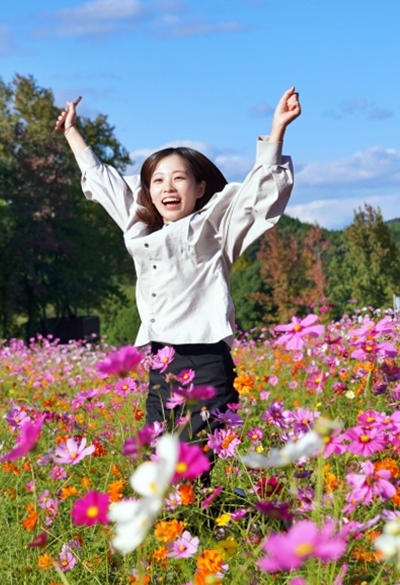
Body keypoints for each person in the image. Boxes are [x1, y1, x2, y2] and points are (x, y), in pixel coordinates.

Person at [55, 89, 301, 455]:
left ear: (200, 187)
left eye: (179, 179)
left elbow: (257, 197)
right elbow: (104, 182)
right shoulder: (139, 226)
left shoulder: (215, 227)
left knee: (191, 470)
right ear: (148, 191)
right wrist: (72, 132)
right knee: (160, 467)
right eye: (157, 180)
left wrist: (277, 131)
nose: (167, 187)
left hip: (206, 361)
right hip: (161, 364)